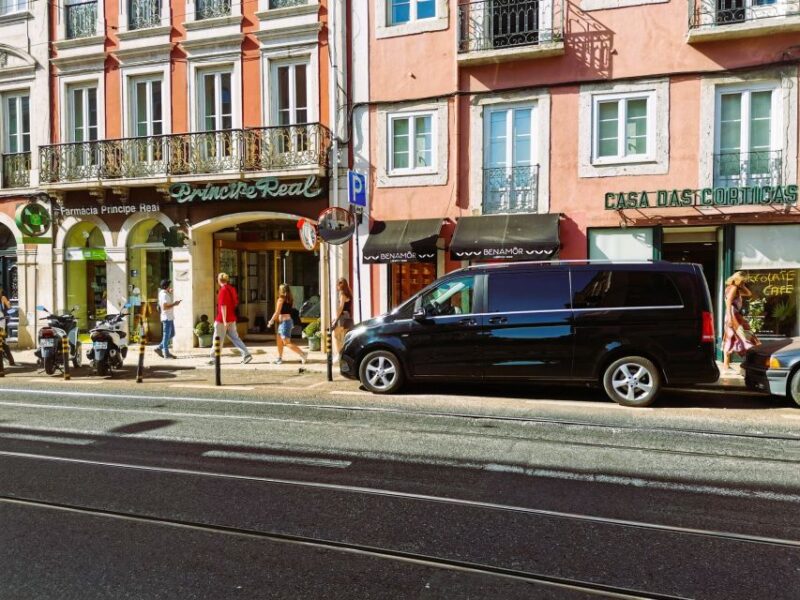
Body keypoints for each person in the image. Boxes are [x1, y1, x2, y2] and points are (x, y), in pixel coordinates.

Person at [209, 272, 252, 365]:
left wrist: (225, 321)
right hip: (232, 318)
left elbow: (223, 306)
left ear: (219, 280)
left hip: (222, 320)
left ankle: (214, 359)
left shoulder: (223, 290)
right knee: (235, 338)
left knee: (217, 339)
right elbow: (235, 303)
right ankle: (246, 354)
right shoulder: (232, 289)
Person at [722, 271, 760, 372]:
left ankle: (726, 365)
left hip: (732, 314)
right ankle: (745, 365)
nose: (743, 283)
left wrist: (742, 286)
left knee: (730, 337)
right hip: (733, 315)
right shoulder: (733, 288)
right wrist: (730, 318)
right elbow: (728, 302)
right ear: (737, 279)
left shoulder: (731, 288)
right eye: (742, 281)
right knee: (746, 336)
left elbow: (749, 293)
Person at [267, 283, 307, 365]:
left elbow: (277, 312)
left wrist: (271, 321)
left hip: (284, 323)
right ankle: (279, 358)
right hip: (287, 322)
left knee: (286, 342)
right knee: (279, 340)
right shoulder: (290, 299)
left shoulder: (281, 299)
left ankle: (303, 354)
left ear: (281, 290)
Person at [156, 279, 180, 359]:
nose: (170, 287)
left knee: (172, 334)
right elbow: (165, 307)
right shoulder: (164, 295)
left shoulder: (164, 293)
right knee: (166, 336)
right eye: (169, 285)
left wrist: (169, 292)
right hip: (167, 318)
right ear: (166, 286)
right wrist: (174, 304)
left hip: (169, 317)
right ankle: (166, 354)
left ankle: (159, 348)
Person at [333, 278, 355, 355]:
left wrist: (336, 319)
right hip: (348, 316)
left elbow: (341, 307)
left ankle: (339, 354)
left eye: (337, 285)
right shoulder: (349, 293)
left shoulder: (342, 294)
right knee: (345, 337)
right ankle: (345, 354)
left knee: (336, 335)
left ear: (340, 285)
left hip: (343, 316)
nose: (336, 287)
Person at [0, 287, 14, 366]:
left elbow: (9, 309)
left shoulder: (3, 298)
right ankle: (10, 360)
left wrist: (9, 313)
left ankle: (9, 360)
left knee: (2, 341)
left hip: (1, 322)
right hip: (2, 321)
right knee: (3, 342)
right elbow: (9, 308)